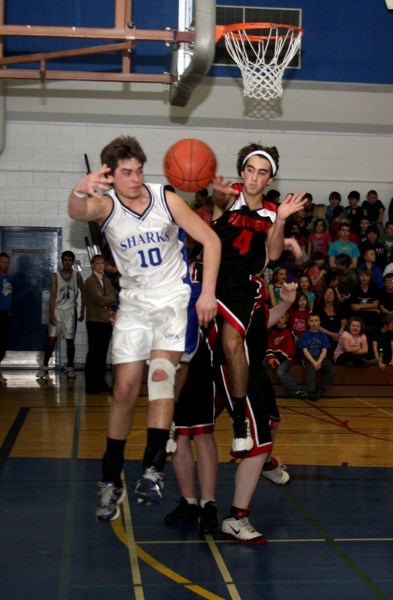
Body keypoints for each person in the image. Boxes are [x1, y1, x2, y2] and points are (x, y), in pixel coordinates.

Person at [68, 135, 221, 520]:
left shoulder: (165, 198)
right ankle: (109, 479)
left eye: (138, 170)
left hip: (172, 298)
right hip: (135, 302)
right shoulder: (104, 205)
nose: (135, 179)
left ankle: (152, 469)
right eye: (126, 173)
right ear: (111, 175)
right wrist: (78, 189)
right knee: (122, 390)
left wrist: (207, 294)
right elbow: (76, 212)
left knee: (160, 377)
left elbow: (211, 240)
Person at [165, 282, 299, 543]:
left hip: (255, 367)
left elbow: (258, 322)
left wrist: (286, 304)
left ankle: (265, 465)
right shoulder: (220, 282)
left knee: (272, 422)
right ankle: (236, 519)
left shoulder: (254, 283)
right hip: (232, 368)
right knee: (254, 442)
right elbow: (227, 338)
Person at [211, 143, 306, 454]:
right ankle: (175, 421)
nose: (253, 178)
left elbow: (275, 253)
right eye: (249, 170)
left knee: (231, 342)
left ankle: (240, 419)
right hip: (209, 277)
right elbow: (219, 202)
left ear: (269, 180)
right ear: (242, 172)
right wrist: (218, 194)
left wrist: (281, 223)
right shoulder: (229, 195)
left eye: (261, 173)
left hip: (241, 286)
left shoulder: (270, 214)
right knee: (188, 352)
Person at [36, 250, 84, 380]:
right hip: (57, 309)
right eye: (65, 260)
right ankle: (44, 366)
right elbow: (52, 295)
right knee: (51, 338)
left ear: (72, 262)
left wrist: (82, 310)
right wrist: (51, 313)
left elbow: (84, 293)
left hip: (70, 310)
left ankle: (70, 367)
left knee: (70, 340)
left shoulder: (77, 275)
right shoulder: (55, 276)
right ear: (62, 261)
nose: (67, 262)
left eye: (70, 260)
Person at [84, 254, 117, 395]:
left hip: (105, 321)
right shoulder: (90, 281)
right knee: (94, 354)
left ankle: (101, 382)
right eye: (97, 263)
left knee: (102, 354)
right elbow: (99, 300)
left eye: (102, 263)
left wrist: (108, 299)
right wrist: (108, 299)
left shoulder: (107, 281)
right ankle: (91, 385)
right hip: (94, 321)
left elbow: (113, 298)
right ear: (92, 265)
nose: (100, 266)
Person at [265, 312, 306, 398]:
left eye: (282, 317)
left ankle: (296, 391)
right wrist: (270, 358)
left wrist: (276, 362)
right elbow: (269, 346)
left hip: (287, 358)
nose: (279, 319)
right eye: (278, 318)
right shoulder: (273, 332)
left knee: (280, 372)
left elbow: (289, 350)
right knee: (260, 365)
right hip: (274, 356)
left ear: (286, 319)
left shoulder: (289, 332)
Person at [298, 313, 335, 401]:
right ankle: (311, 393)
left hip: (320, 357)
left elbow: (324, 351)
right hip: (308, 357)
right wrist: (314, 362)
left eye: (316, 321)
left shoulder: (323, 336)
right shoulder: (305, 335)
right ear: (308, 323)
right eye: (311, 321)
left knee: (331, 370)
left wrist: (319, 361)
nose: (314, 323)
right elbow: (305, 351)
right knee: (311, 372)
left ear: (319, 323)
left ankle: (319, 389)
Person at [0, 252, 12, 384]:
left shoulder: (7, 279)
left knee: (3, 344)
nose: (5, 265)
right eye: (2, 262)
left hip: (5, 314)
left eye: (7, 262)